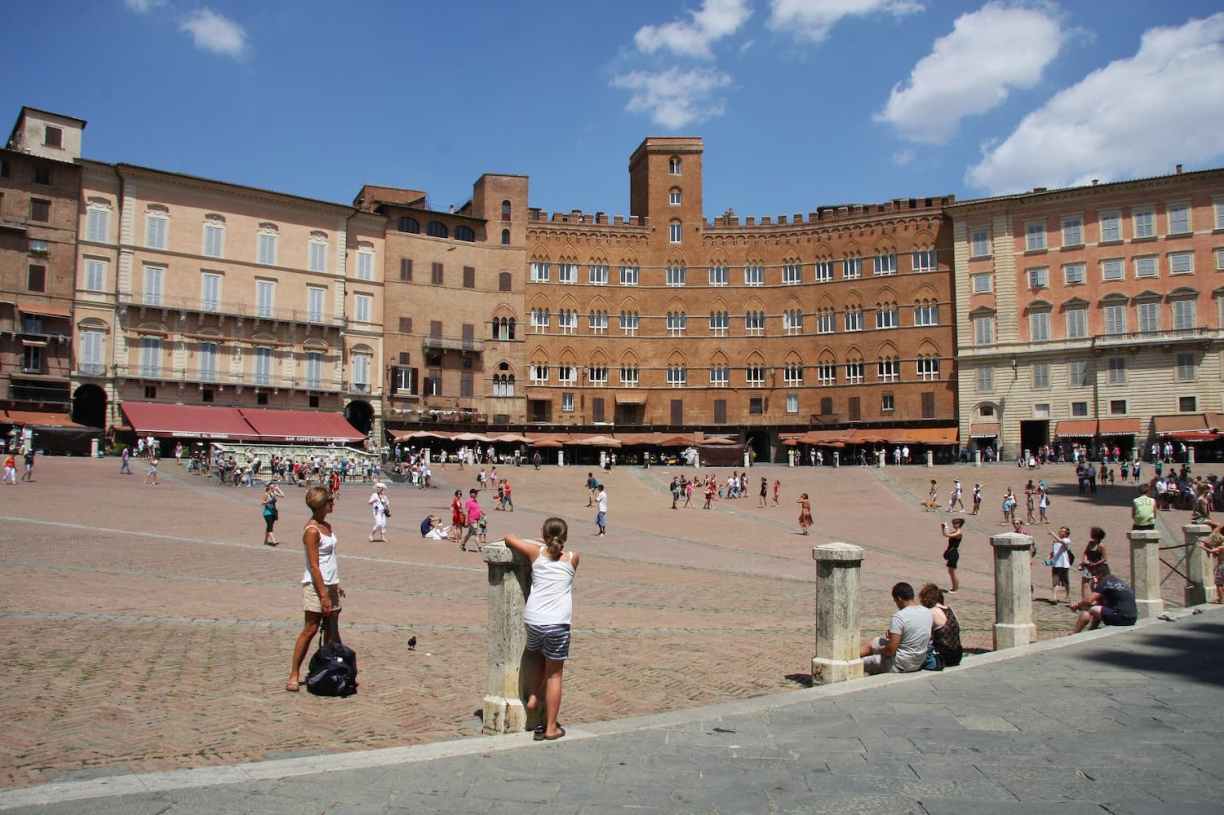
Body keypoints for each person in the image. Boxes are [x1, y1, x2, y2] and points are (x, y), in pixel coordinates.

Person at [504, 518, 579, 741]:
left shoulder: (535, 553)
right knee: (555, 673)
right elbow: (559, 553)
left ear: (543, 536)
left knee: (536, 657)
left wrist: (538, 544)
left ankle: (535, 695)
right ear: (564, 538)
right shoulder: (573, 558)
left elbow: (509, 537)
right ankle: (550, 728)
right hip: (557, 623)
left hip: (534, 621)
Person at [287, 486, 343, 692]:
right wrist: (323, 595)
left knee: (331, 631)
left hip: (331, 583)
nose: (333, 503)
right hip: (315, 586)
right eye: (330, 501)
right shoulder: (311, 531)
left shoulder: (327, 525)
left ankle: (329, 671)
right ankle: (294, 673)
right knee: (310, 629)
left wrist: (336, 585)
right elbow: (314, 565)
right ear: (321, 505)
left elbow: (330, 559)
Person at [860, 582, 932, 675]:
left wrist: (880, 651)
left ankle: (849, 662)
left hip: (899, 665)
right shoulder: (927, 612)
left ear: (899, 598)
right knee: (875, 642)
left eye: (895, 601)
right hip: (918, 661)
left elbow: (891, 650)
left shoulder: (899, 617)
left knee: (864, 662)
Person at [1071, 564, 1137, 632]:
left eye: (1094, 574)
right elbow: (1100, 602)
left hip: (1121, 618)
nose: (1093, 577)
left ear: (1100, 574)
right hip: (1132, 619)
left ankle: (1074, 633)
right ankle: (1092, 629)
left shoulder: (1105, 582)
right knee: (1098, 608)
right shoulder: (1117, 580)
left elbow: (1088, 601)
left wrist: (1077, 605)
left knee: (1089, 609)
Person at [919, 583, 962, 667]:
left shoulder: (931, 611)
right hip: (957, 655)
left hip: (942, 658)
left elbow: (924, 636)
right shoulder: (950, 609)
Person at [1079, 526, 1107, 600]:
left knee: (1095, 585)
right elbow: (1086, 552)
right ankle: (1084, 600)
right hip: (1088, 566)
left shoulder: (1101, 546)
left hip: (1098, 568)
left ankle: (1095, 600)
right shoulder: (1090, 543)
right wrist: (1084, 561)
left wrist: (1095, 564)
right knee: (1085, 583)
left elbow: (1104, 559)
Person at [1047, 526, 1073, 602]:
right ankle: (1054, 597)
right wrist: (1049, 558)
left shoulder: (1067, 540)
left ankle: (1068, 595)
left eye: (1062, 531)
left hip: (1064, 564)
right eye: (1060, 530)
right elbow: (1054, 551)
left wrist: (1053, 534)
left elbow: (1062, 542)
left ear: (1066, 534)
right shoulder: (1055, 541)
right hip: (1056, 563)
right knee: (1055, 580)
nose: (1060, 532)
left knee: (1065, 581)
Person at [939, 518, 964, 593]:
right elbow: (945, 534)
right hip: (951, 552)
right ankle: (954, 587)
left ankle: (955, 588)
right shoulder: (955, 532)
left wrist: (946, 527)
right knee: (951, 572)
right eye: (953, 523)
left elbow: (947, 535)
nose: (954, 525)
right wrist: (943, 528)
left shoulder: (959, 533)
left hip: (954, 553)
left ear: (960, 524)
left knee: (952, 572)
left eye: (956, 523)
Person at [262, 480, 285, 546]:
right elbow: (262, 503)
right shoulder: (266, 494)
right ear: (268, 486)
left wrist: (278, 489)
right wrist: (269, 501)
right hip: (267, 513)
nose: (273, 485)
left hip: (273, 512)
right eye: (271, 484)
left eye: (273, 484)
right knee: (270, 527)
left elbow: (283, 495)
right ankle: (274, 541)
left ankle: (265, 541)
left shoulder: (273, 493)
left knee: (269, 527)